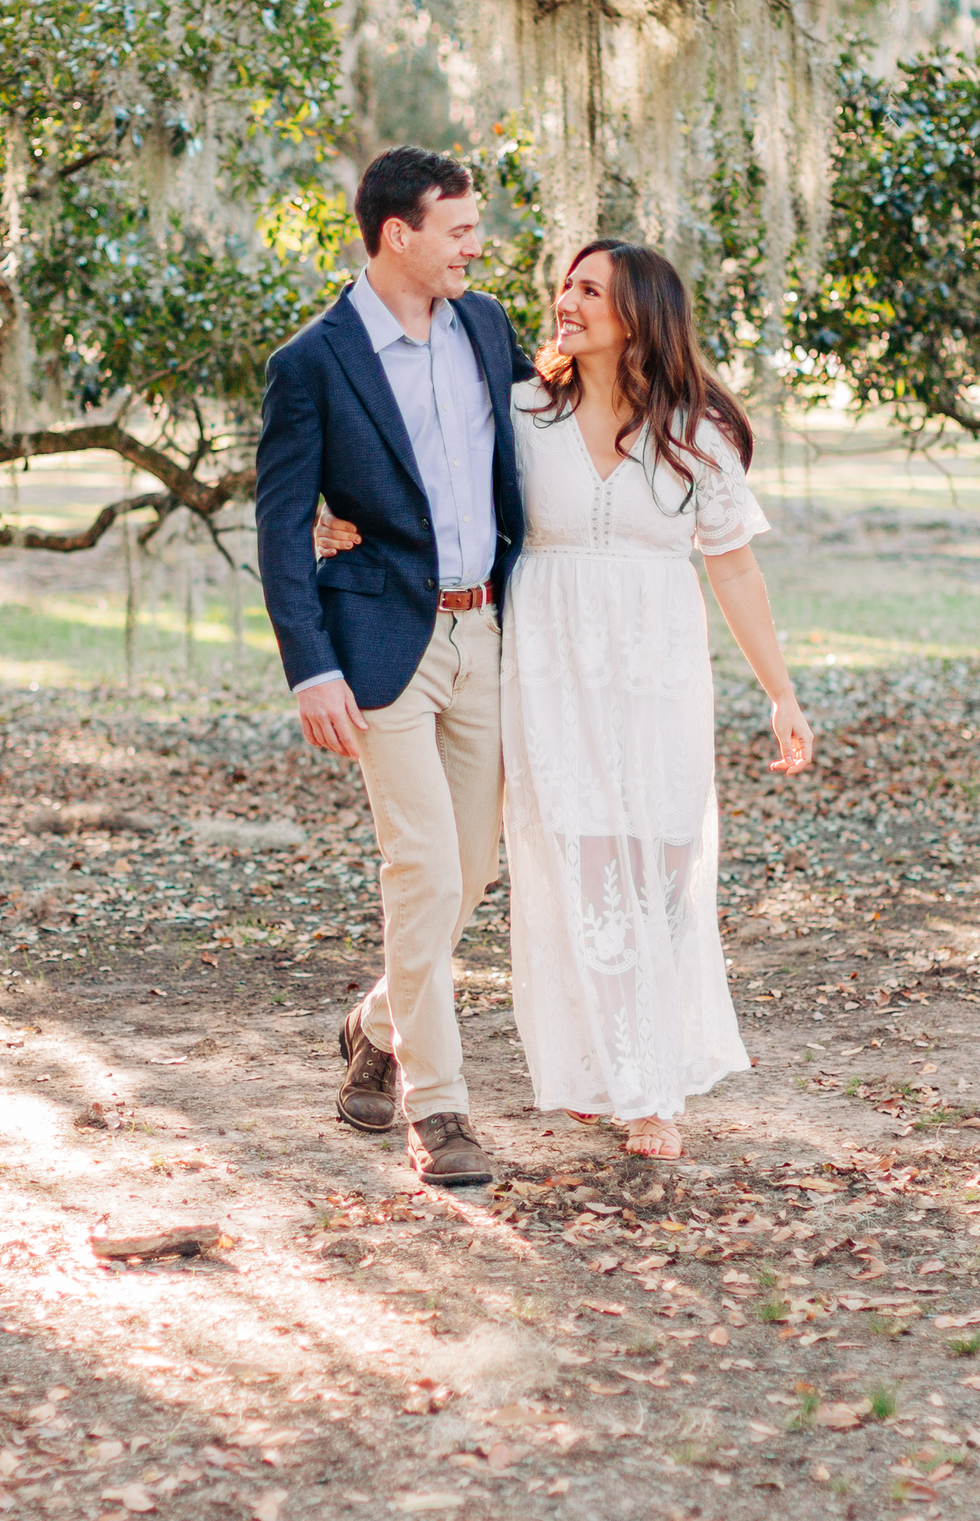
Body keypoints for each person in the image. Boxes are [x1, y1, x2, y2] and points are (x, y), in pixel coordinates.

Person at [317, 240, 817, 1159]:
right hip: (544, 670)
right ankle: (640, 1091)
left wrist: (779, 693)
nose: (566, 300)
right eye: (567, 285)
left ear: (638, 316)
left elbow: (736, 570)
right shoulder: (520, 411)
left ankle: (409, 1022)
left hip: (660, 675)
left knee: (662, 878)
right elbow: (416, 462)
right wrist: (331, 507)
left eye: (591, 289)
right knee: (582, 875)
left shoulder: (695, 431)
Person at [253, 148, 536, 1187]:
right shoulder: (312, 363)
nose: (474, 244)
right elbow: (283, 527)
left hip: (488, 634)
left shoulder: (487, 326)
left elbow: (542, 442)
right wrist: (307, 666)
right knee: (420, 865)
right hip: (378, 647)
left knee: (469, 870)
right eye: (457, 228)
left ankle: (375, 1022)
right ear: (395, 234)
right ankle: (440, 1107)